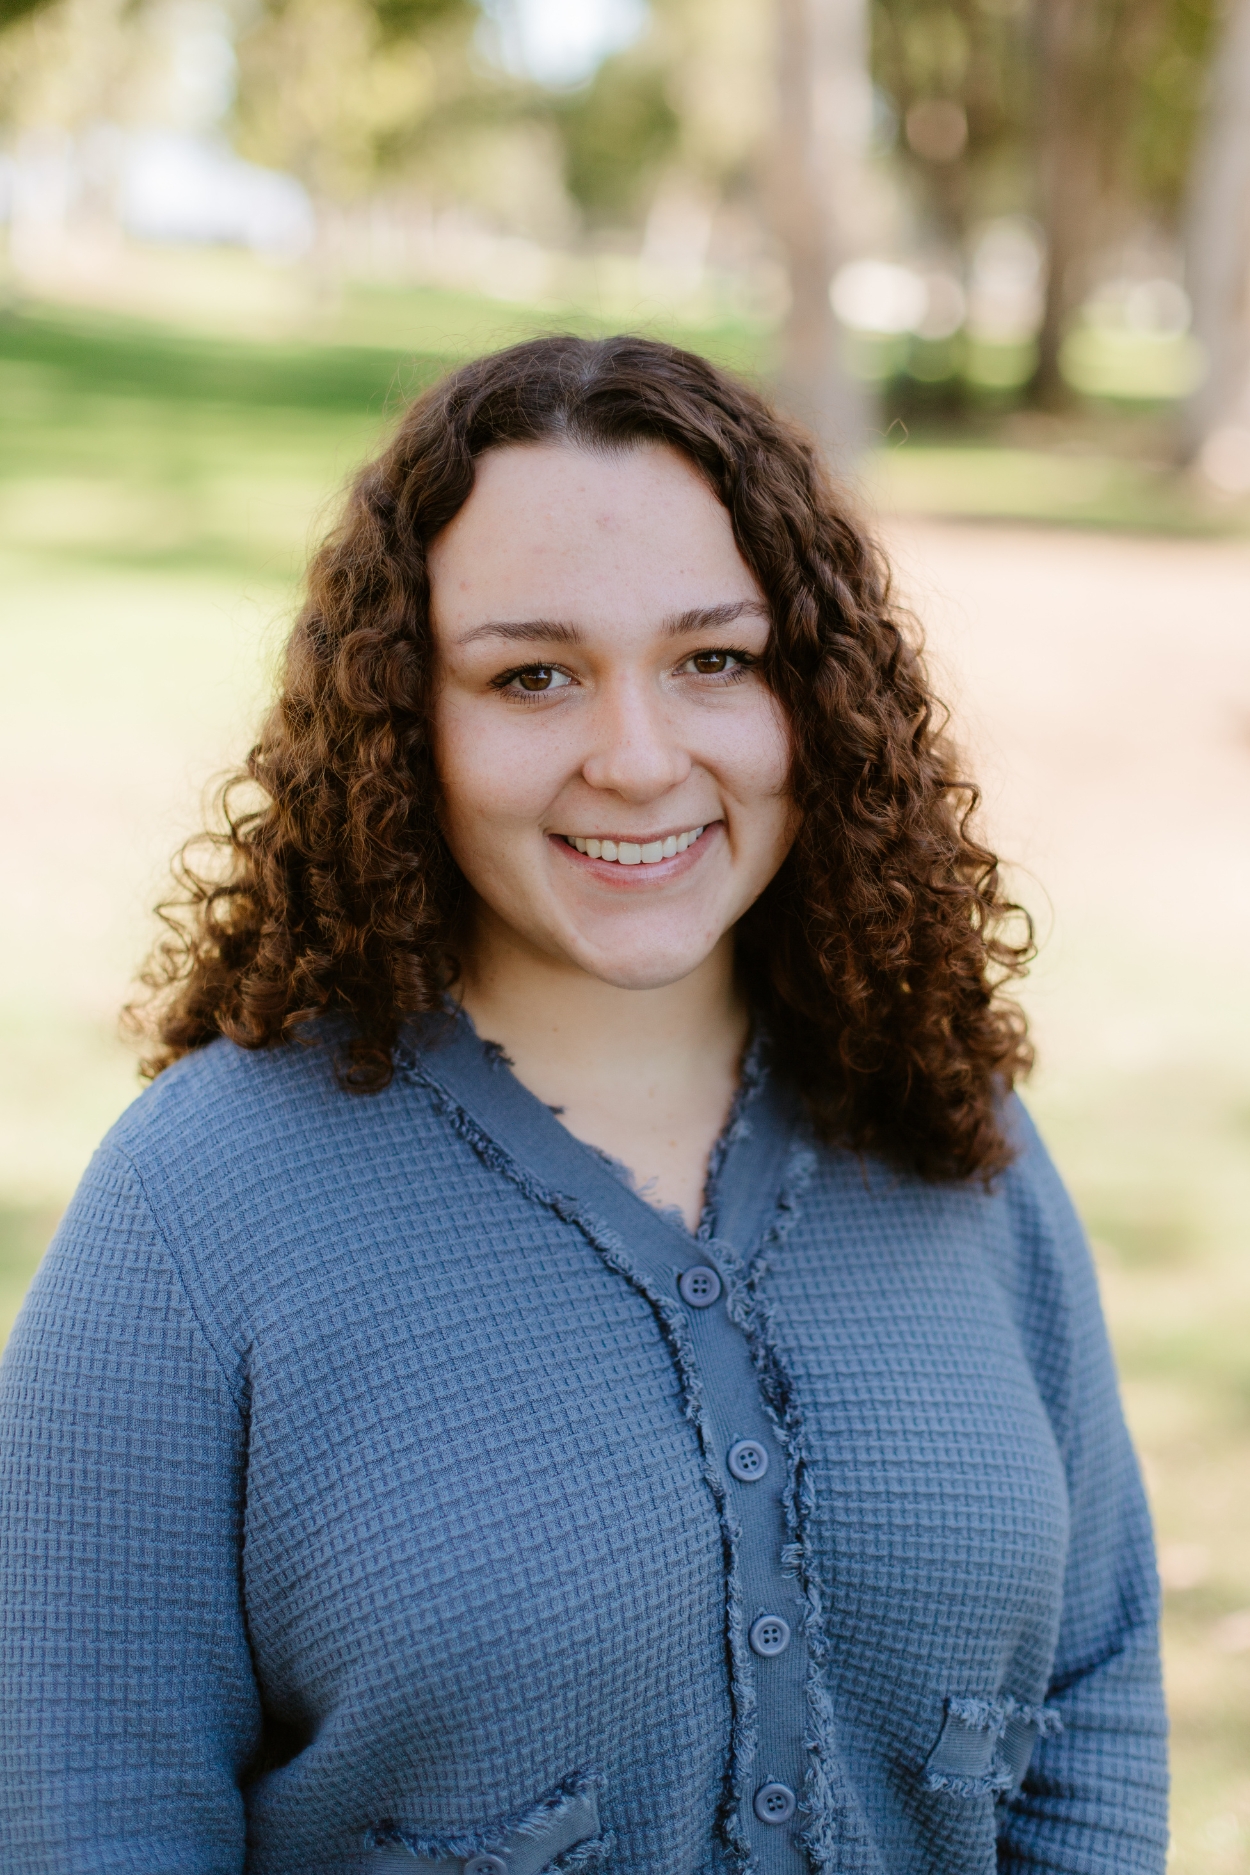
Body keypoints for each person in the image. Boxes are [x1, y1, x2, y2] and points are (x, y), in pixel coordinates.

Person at [0, 336, 1167, 1875]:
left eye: (714, 660)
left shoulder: (952, 1128)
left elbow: (1092, 1710)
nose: (635, 758)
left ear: (816, 695)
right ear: (404, 721)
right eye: (531, 676)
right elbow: (83, 1802)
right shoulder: (200, 1203)